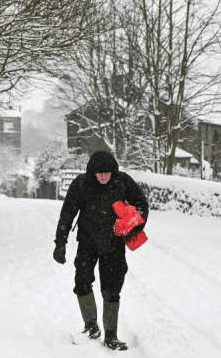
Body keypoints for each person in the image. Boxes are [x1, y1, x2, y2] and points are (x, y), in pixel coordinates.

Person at [52, 150, 149, 351]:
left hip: (114, 244)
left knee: (112, 288)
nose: (103, 176)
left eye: (107, 173)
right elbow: (68, 213)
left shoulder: (123, 182)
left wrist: (134, 225)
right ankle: (90, 327)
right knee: (82, 282)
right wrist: (60, 243)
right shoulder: (81, 184)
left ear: (113, 171)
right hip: (87, 243)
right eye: (99, 173)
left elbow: (142, 205)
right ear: (92, 172)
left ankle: (111, 335)